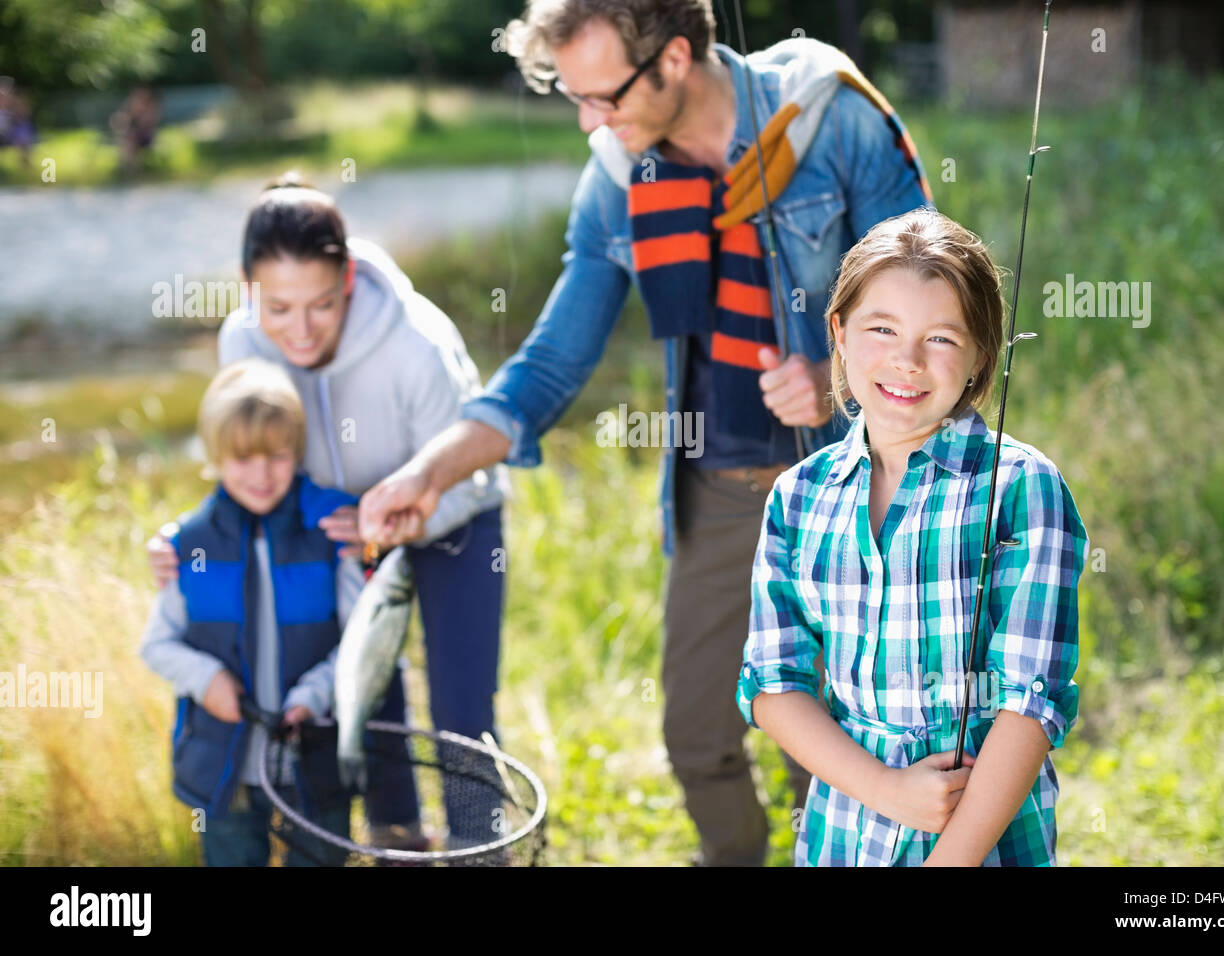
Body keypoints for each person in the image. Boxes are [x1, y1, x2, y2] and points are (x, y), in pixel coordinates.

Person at [358, 0, 932, 865]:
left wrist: (838, 379)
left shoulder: (830, 120)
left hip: (862, 495)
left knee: (844, 746)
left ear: (671, 57)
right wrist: (427, 475)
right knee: (696, 735)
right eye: (574, 98)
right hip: (723, 497)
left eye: (604, 97)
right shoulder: (622, 178)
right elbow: (551, 362)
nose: (590, 122)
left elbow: (938, 304)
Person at [146, 173, 510, 851]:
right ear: (248, 288)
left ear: (346, 281)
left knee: (462, 710)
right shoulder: (242, 343)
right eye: (278, 309)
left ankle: (479, 850)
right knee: (361, 693)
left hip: (452, 522)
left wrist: (409, 518)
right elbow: (246, 462)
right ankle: (398, 843)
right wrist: (186, 536)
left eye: (320, 304)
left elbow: (481, 474)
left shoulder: (416, 346)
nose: (300, 331)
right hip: (334, 539)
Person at [737, 208, 1089, 866]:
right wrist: (887, 790)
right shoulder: (798, 497)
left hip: (983, 841)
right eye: (881, 329)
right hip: (843, 834)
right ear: (838, 333)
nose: (906, 360)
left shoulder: (1021, 489)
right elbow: (773, 685)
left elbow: (1029, 706)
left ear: (981, 356)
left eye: (942, 339)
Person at [140, 358, 358, 866]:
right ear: (215, 457)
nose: (261, 475)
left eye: (277, 457)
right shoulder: (188, 546)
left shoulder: (332, 539)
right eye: (242, 459)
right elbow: (156, 644)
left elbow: (361, 644)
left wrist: (315, 694)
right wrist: (207, 679)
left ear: (297, 453)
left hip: (315, 757)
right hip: (225, 767)